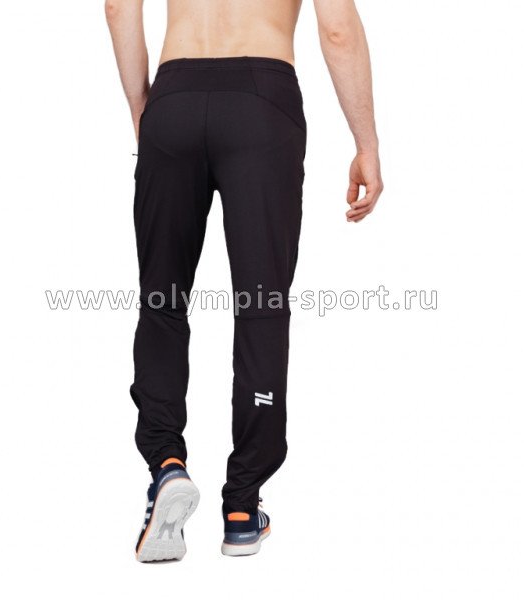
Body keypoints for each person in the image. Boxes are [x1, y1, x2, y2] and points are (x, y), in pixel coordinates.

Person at [105, 0, 383, 561]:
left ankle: (166, 465)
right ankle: (241, 503)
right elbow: (337, 29)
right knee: (261, 306)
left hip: (174, 97)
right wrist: (367, 145)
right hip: (262, 101)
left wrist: (145, 110)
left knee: (162, 301)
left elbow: (118, 8)